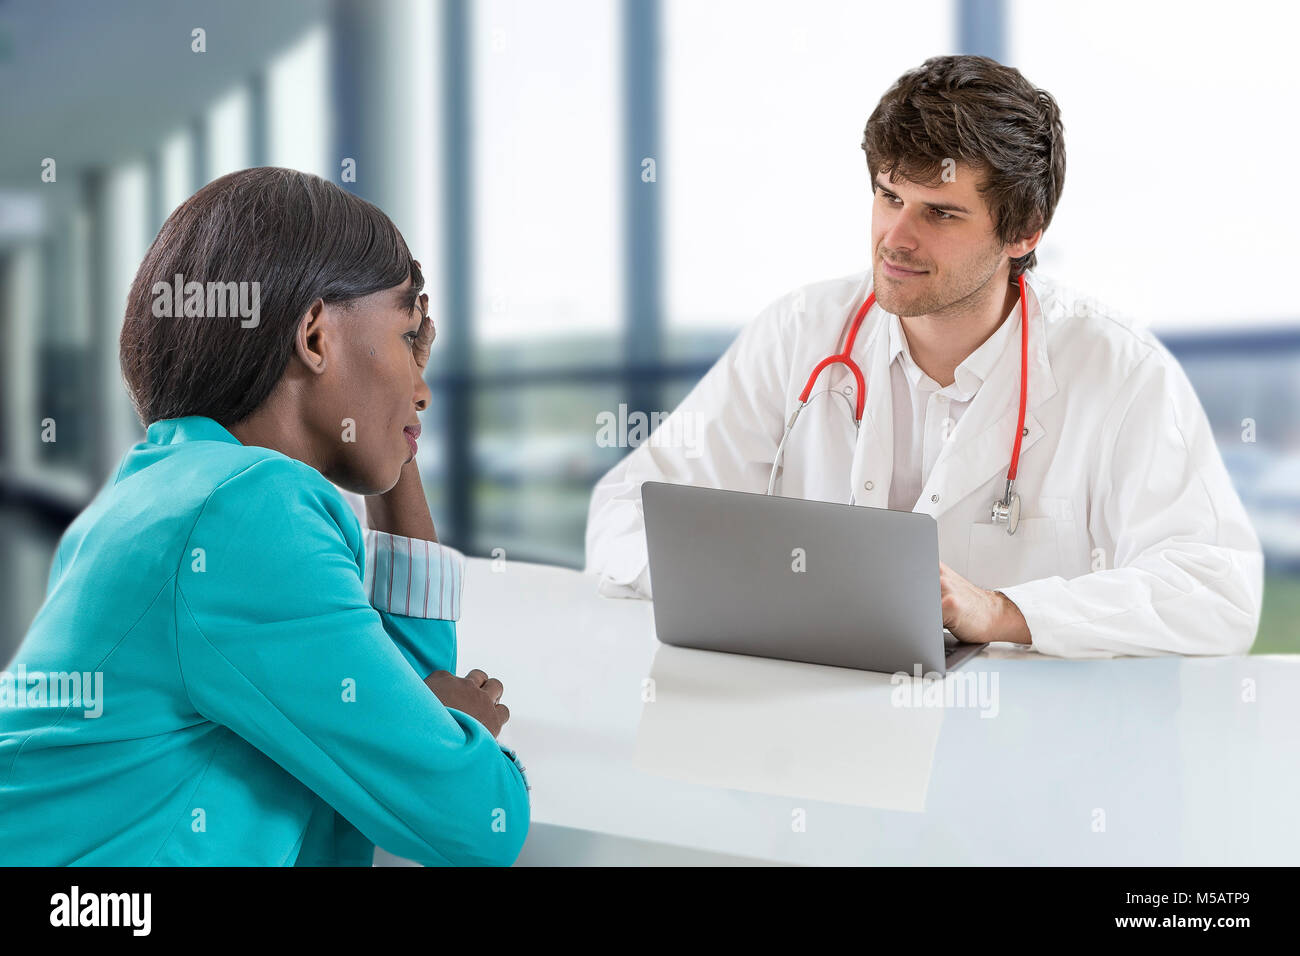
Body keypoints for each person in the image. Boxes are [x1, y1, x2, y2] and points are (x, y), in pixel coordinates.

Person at [585, 55, 1263, 660]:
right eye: (889, 198)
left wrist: (1003, 612)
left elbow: (1215, 590)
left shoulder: (1118, 370)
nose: (895, 239)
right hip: (814, 732)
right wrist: (753, 583)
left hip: (1021, 758)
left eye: (940, 213)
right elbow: (622, 514)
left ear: (1023, 232)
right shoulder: (802, 332)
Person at [0, 167, 529, 866]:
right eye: (407, 338)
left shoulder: (168, 488)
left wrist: (397, 434)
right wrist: (462, 725)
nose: (423, 388)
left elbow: (384, 726)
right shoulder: (248, 511)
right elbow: (474, 823)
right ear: (314, 336)